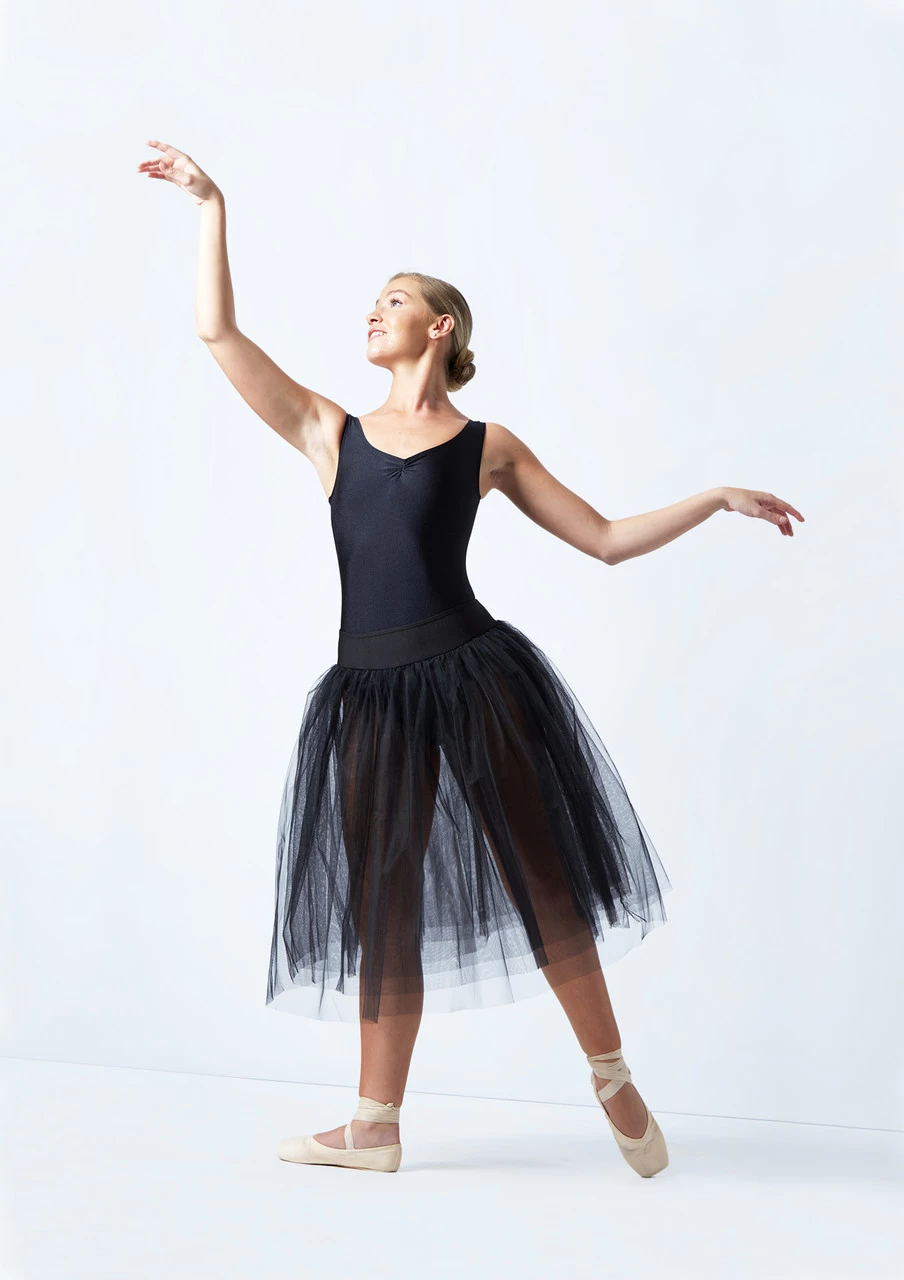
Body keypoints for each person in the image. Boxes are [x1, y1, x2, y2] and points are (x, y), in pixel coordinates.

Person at [138, 139, 804, 1178]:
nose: (372, 312)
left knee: (542, 871)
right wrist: (209, 203)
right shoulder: (329, 431)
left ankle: (611, 1072)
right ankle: (375, 1124)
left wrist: (712, 497)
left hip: (472, 675)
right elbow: (216, 332)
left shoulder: (487, 445)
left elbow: (604, 538)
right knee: (383, 899)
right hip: (370, 693)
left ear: (439, 326)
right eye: (372, 302)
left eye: (393, 300)